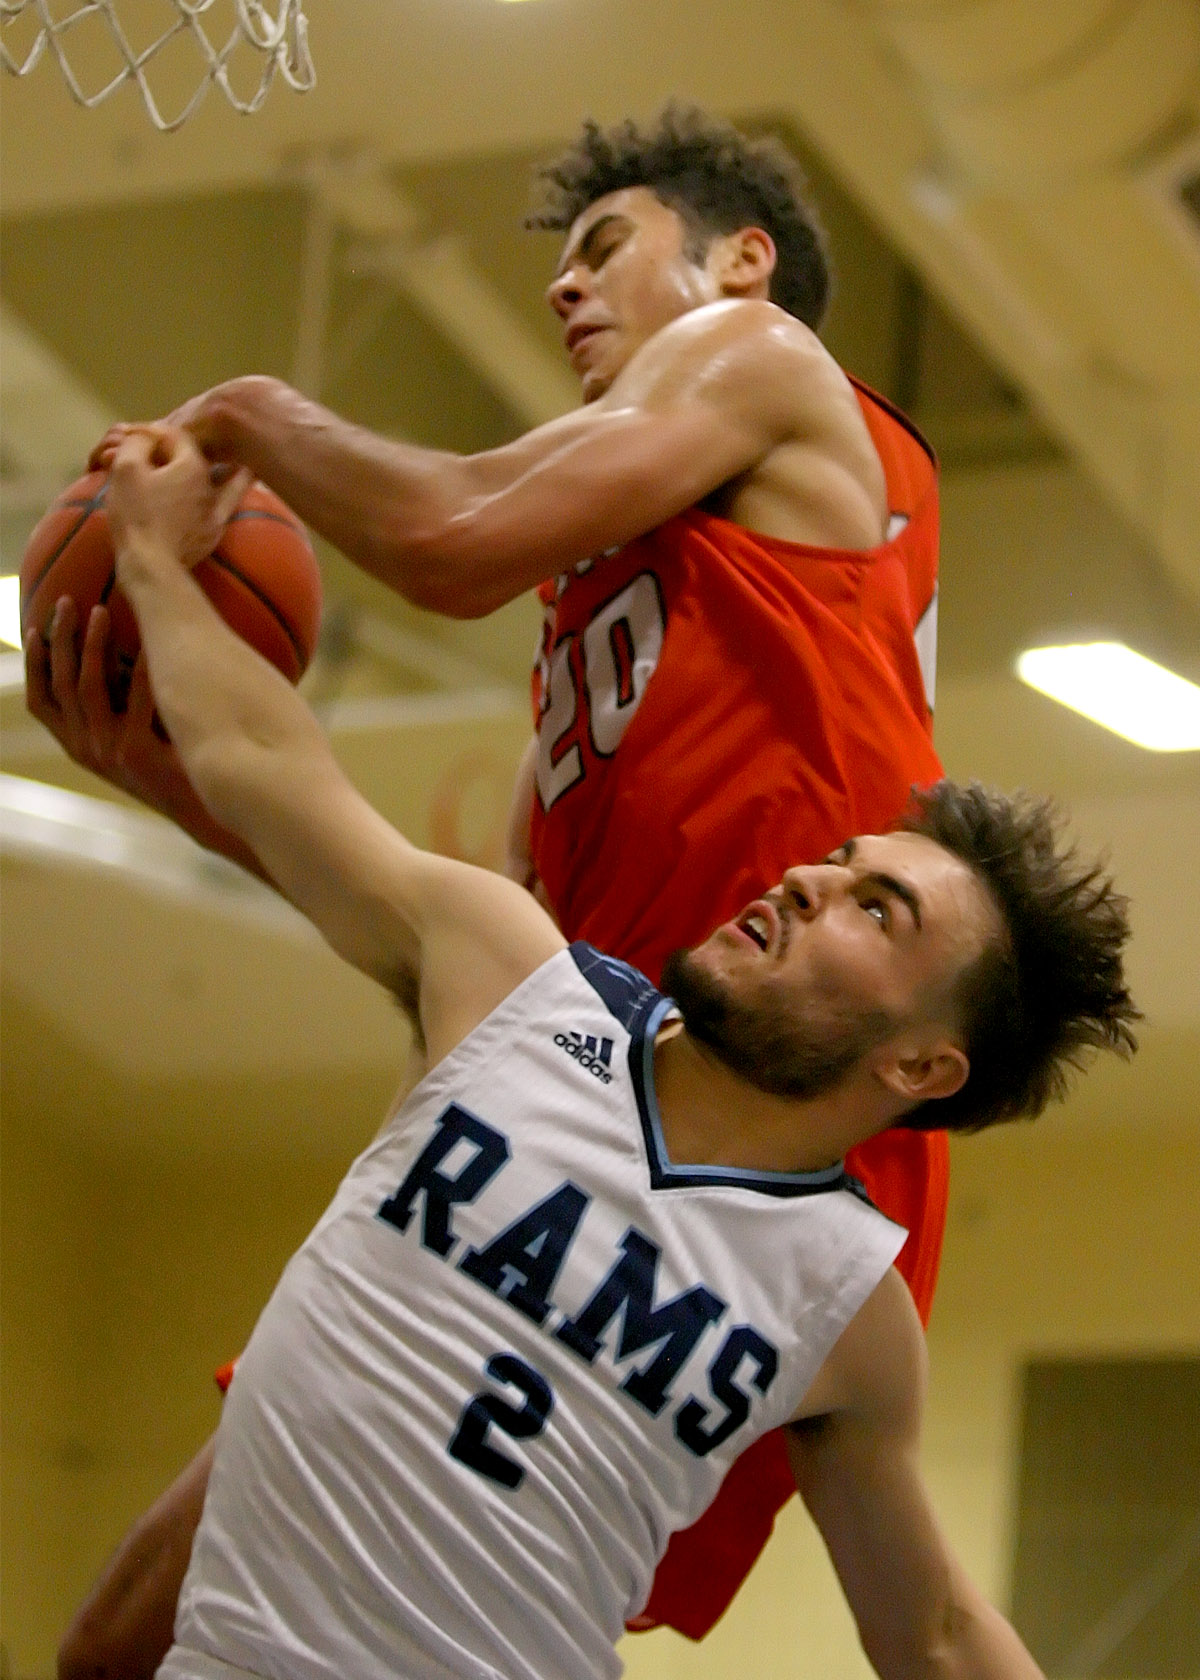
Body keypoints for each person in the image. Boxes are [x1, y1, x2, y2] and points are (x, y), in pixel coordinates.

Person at [39, 108, 947, 1657]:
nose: (564, 290)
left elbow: (450, 533)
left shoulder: (763, 355)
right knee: (132, 1629)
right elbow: (436, 955)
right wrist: (175, 768)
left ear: (742, 263)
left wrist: (249, 414)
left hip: (766, 1155)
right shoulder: (607, 619)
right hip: (580, 1126)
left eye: (606, 248)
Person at [52, 430, 1137, 1680]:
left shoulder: (851, 1311)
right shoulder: (508, 974)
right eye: (835, 863)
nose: (805, 883)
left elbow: (937, 1635)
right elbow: (265, 760)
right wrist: (146, 552)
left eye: (875, 909)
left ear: (922, 1066)